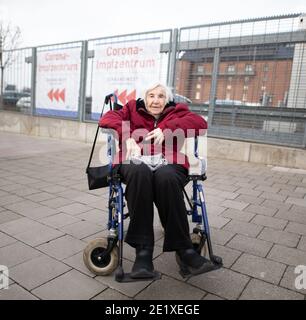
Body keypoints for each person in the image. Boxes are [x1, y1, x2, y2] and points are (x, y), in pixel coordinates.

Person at [99, 83, 209, 279]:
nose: (156, 100)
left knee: (166, 177)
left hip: (169, 161)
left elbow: (200, 123)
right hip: (134, 159)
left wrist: (167, 128)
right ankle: (143, 253)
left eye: (160, 96)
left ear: (167, 99)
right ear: (145, 97)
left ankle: (185, 251)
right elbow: (108, 118)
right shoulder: (131, 108)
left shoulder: (177, 111)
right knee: (140, 173)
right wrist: (127, 136)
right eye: (151, 95)